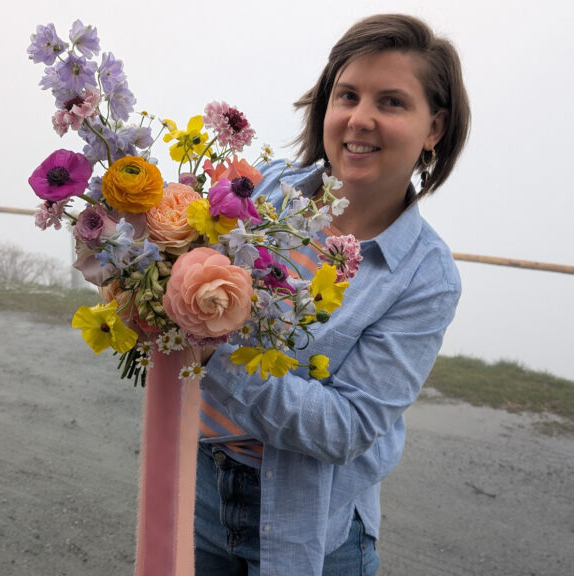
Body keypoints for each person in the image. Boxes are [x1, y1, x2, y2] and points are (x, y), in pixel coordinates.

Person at [194, 13, 470, 576]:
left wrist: (210, 351)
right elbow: (174, 258)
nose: (359, 118)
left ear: (434, 128)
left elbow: (345, 426)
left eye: (391, 102)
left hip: (310, 522)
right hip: (196, 490)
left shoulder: (424, 275)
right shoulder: (262, 189)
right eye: (347, 94)